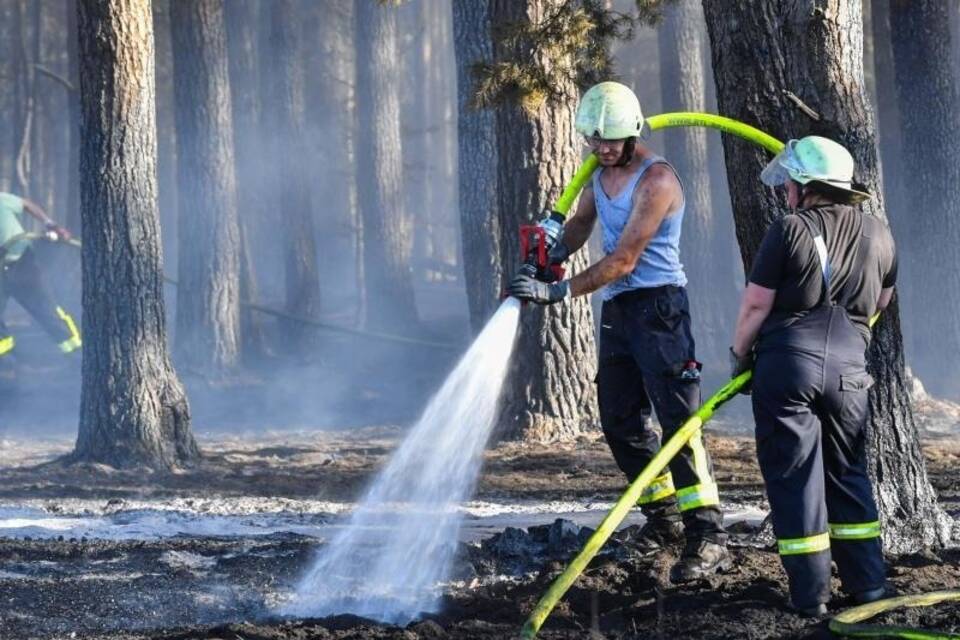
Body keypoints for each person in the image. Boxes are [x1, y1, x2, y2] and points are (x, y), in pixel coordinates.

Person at [508, 81, 729, 583]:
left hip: (660, 310)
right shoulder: (598, 173)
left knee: (680, 424)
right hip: (619, 312)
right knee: (619, 421)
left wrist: (558, 293)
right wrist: (551, 257)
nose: (603, 148)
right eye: (595, 139)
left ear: (632, 133)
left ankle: (709, 535)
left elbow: (625, 260)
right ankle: (664, 518)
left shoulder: (657, 182)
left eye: (612, 140)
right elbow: (582, 224)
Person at [729, 136, 894, 615]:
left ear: (806, 186)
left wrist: (740, 355)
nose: (785, 192)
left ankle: (811, 598)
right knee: (848, 474)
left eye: (790, 183)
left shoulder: (790, 229)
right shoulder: (880, 233)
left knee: (796, 478)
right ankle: (869, 587)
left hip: (788, 367)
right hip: (850, 373)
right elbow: (882, 302)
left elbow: (756, 304)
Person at [0, 192, 81, 367]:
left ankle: (77, 355)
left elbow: (26, 204)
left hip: (23, 262)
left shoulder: (2, 200)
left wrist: (50, 224)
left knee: (47, 310)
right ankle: (6, 364)